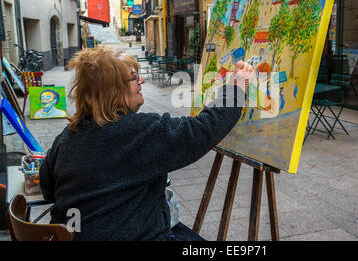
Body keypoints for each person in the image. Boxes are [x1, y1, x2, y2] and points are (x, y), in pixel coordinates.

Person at [39, 46, 254, 241]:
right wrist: (235, 89)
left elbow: (47, 188)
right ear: (113, 90)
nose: (141, 81)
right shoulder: (137, 132)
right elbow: (202, 130)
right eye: (134, 78)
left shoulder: (68, 136)